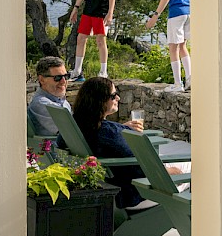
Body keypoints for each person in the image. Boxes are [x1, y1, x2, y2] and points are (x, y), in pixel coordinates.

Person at [65, 77, 189, 208]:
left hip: (111, 186)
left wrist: (122, 128)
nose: (118, 98)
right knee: (197, 168)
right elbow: (140, 168)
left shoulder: (77, 125)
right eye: (113, 96)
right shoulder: (110, 133)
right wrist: (171, 171)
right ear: (99, 101)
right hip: (135, 193)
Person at [144, 0, 191, 93]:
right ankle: (190, 78)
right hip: (188, 12)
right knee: (183, 46)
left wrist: (155, 16)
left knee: (173, 48)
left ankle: (178, 84)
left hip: (176, 13)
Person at [28, 56, 71, 136]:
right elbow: (70, 133)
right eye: (57, 78)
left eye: (66, 76)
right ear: (42, 80)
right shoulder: (41, 104)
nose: (63, 81)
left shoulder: (61, 101)